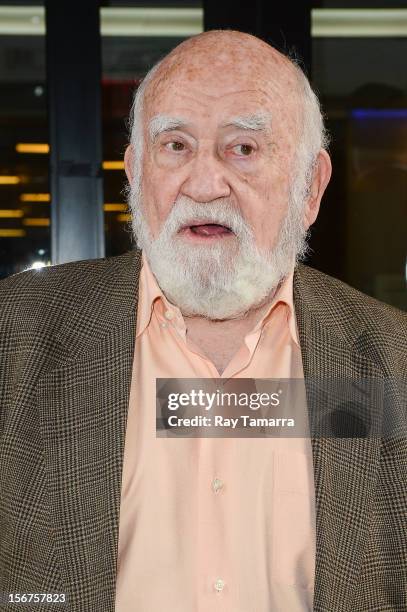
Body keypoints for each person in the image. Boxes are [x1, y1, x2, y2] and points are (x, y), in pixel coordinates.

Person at [0, 29, 406, 612]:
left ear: (310, 187)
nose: (205, 184)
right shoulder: (15, 340)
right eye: (175, 146)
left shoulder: (392, 362)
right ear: (136, 172)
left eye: (243, 149)